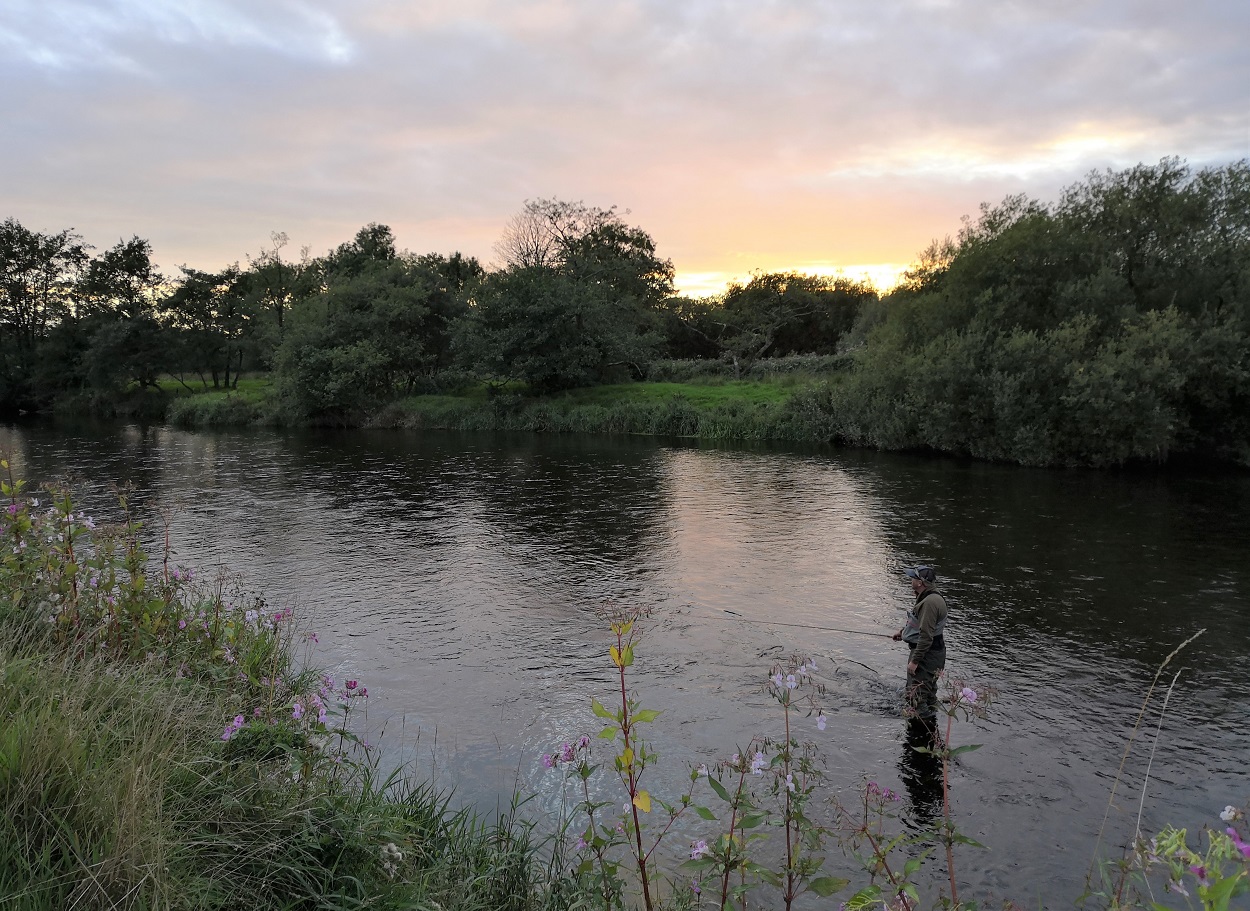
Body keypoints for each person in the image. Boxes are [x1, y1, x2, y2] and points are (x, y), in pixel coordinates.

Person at [891, 565, 948, 730]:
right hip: (934, 653)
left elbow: (926, 636)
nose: (911, 580)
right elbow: (922, 626)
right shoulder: (930, 597)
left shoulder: (930, 602)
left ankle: (925, 732)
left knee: (916, 696)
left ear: (920, 582)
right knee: (928, 693)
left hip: (926, 655)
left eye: (913, 577)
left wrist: (915, 661)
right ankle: (933, 726)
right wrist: (903, 633)